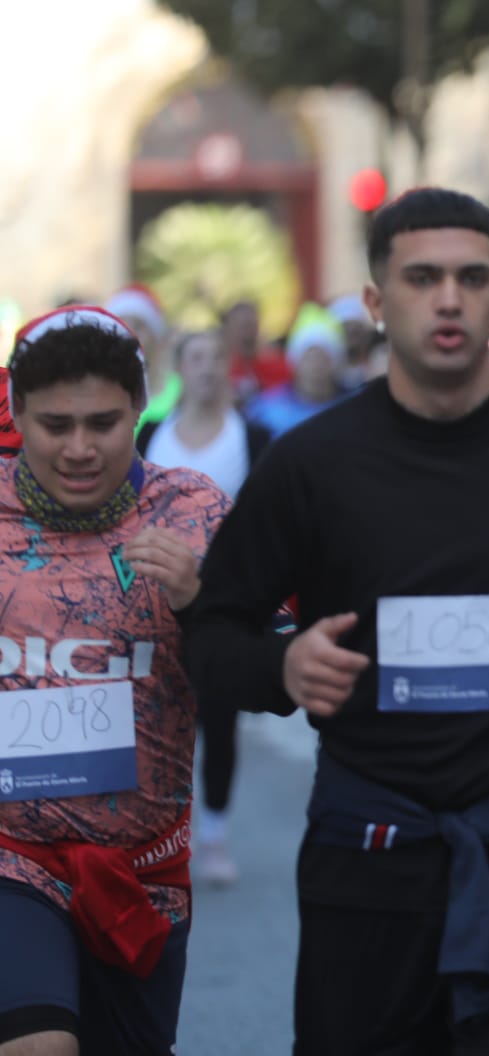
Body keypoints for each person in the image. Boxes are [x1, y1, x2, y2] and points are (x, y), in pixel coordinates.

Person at [185, 188, 489, 1054]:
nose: (447, 296)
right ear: (376, 302)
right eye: (421, 277)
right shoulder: (312, 464)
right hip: (366, 851)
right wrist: (283, 672)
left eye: (470, 276)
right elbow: (214, 632)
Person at [0, 307, 228, 1054]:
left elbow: (266, 670)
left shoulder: (192, 510)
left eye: (102, 422)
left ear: (140, 406)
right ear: (15, 412)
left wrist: (202, 600)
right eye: (54, 424)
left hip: (145, 868)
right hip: (12, 856)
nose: (78, 448)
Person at [137, 330, 274, 888]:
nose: (208, 369)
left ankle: (212, 832)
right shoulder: (151, 434)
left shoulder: (253, 436)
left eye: (218, 357)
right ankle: (157, 835)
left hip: (224, 603)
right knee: (158, 720)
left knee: (219, 719)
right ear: (180, 368)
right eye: (197, 358)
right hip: (150, 602)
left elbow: (269, 522)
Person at [247, 304, 348, 439]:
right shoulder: (265, 410)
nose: (316, 365)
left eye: (323, 357)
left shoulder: (351, 406)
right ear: (296, 361)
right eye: (309, 356)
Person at [107, 286, 179, 437]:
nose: (129, 334)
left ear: (156, 335)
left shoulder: (180, 391)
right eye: (121, 325)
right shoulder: (97, 392)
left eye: (138, 326)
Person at [221, 298, 290, 404]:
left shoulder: (278, 364)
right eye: (241, 326)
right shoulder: (221, 370)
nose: (247, 333)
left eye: (251, 325)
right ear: (228, 330)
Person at [330, 292, 380, 388]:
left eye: (356, 329)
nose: (352, 335)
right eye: (346, 328)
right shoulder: (328, 375)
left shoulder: (376, 366)